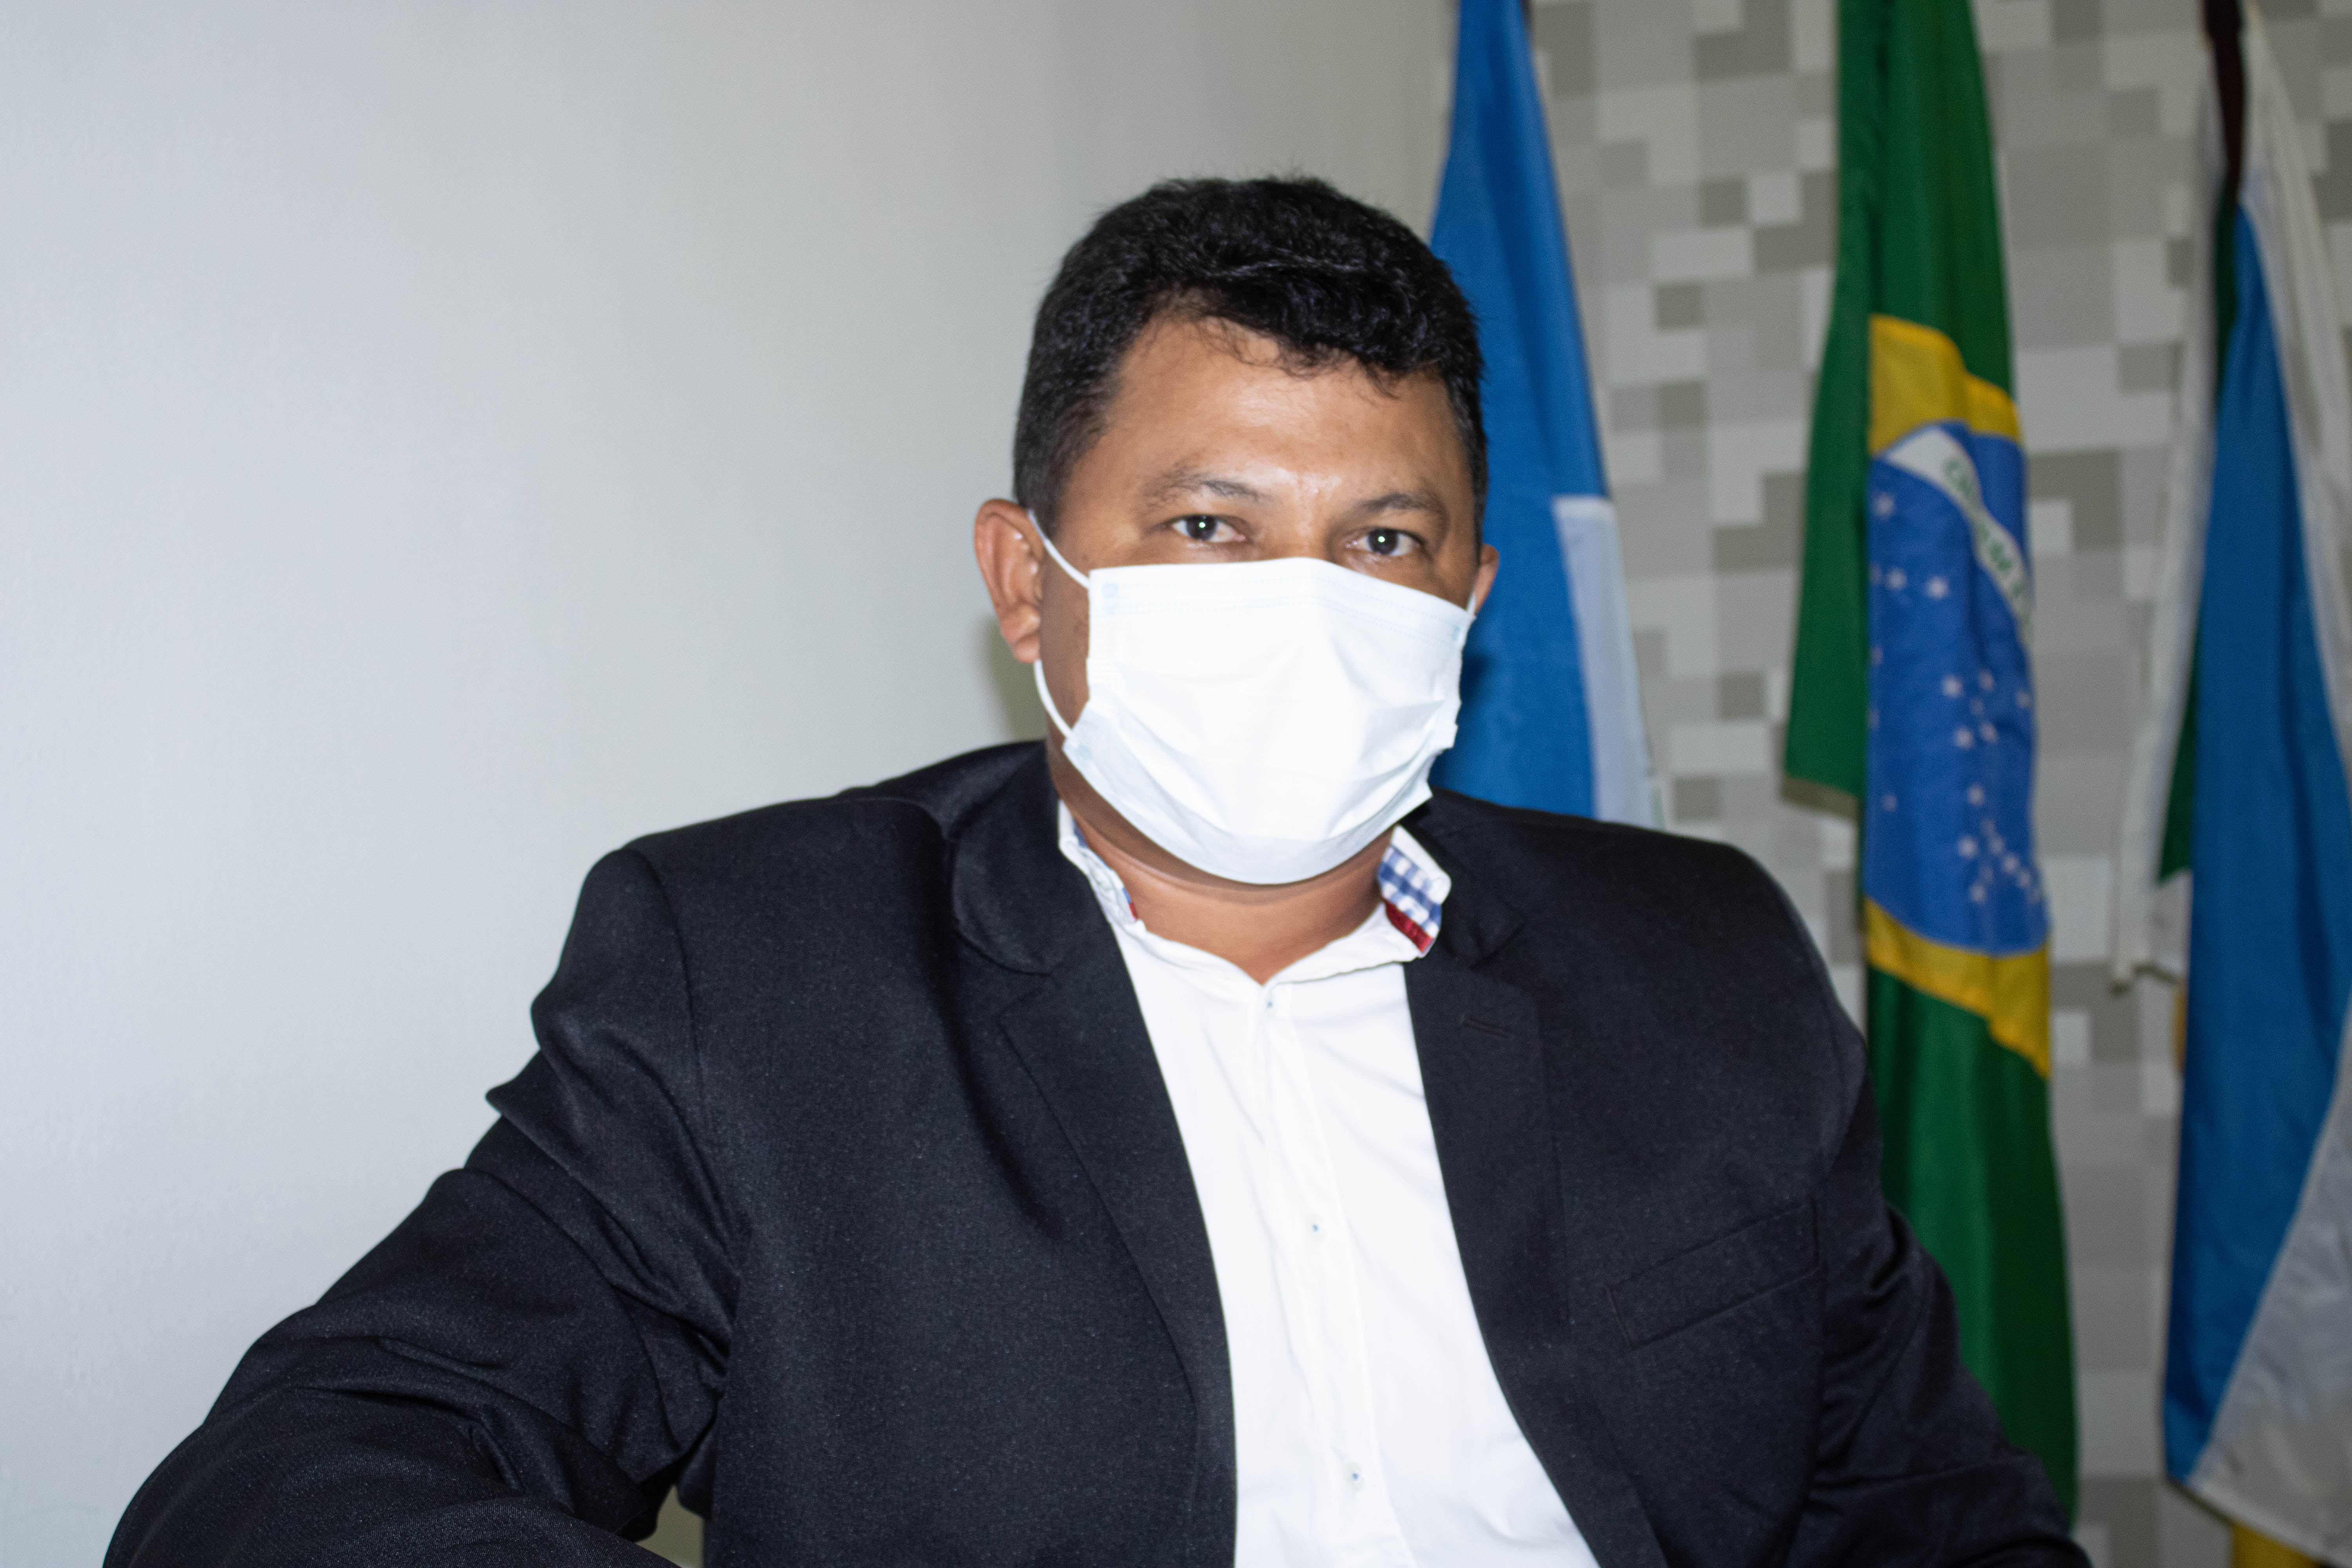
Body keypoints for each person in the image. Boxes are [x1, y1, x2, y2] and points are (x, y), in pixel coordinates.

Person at [110, 177, 2083, 1567]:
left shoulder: (1701, 958)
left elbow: (1928, 1511)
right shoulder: (761, 976)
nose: (1308, 601)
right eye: (1211, 526)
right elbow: (308, 1475)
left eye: (1382, 541)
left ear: (1470, 600)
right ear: (1026, 581)